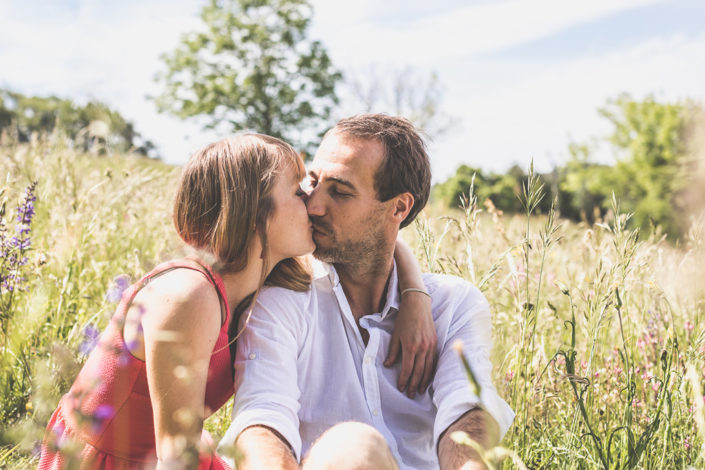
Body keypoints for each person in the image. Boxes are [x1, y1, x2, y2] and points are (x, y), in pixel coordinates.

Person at [38, 134, 437, 470]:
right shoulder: (188, 294)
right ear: (254, 211)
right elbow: (177, 455)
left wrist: (413, 295)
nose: (314, 205)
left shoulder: (257, 287)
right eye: (300, 190)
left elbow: (377, 236)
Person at [219, 115, 515, 470]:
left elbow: (467, 409)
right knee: (354, 448)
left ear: (399, 207)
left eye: (340, 192)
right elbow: (262, 416)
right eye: (313, 183)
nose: (314, 206)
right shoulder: (282, 297)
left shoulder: (454, 305)